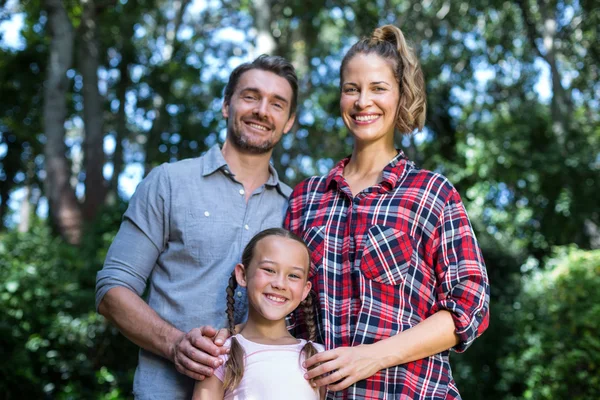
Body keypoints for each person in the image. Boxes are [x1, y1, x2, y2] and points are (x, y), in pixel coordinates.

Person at [284, 25, 490, 399]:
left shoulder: (431, 194)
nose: (364, 101)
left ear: (400, 96)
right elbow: (282, 313)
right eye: (352, 89)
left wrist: (372, 357)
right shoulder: (305, 200)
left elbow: (471, 304)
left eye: (378, 88)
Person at [95, 55, 298, 399]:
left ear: (289, 122)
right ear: (226, 104)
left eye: (277, 104)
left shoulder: (297, 208)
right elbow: (112, 289)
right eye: (250, 97)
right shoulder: (169, 183)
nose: (262, 111)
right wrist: (175, 344)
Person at [192, 228, 326, 400]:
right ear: (242, 275)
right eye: (269, 270)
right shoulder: (221, 353)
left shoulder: (317, 357)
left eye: (293, 275)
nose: (280, 284)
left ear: (305, 290)